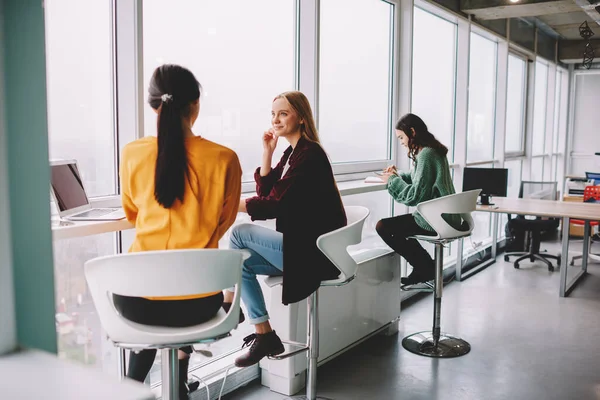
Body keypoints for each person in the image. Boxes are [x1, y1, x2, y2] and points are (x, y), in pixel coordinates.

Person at [117, 64, 242, 399]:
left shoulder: (132, 153)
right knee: (182, 291)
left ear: (152, 105)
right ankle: (179, 386)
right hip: (197, 303)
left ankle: (132, 389)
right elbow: (223, 222)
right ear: (195, 104)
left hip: (135, 302)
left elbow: (131, 213)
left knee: (155, 300)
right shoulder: (224, 158)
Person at [226, 91, 347, 367]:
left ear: (301, 118)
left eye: (283, 113)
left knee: (238, 233)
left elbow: (272, 204)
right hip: (302, 249)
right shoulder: (293, 152)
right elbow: (268, 190)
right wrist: (267, 153)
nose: (276, 119)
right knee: (238, 262)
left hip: (316, 255)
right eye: (273, 114)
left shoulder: (309, 155)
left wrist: (226, 205)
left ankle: (228, 303)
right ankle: (264, 333)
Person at [376, 113, 461, 286]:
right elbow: (419, 178)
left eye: (401, 137)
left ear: (412, 131)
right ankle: (424, 266)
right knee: (399, 229)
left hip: (438, 219)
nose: (401, 142)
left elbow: (415, 195)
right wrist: (396, 175)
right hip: (448, 216)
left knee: (383, 227)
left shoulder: (426, 155)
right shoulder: (432, 150)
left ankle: (424, 266)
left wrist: (392, 181)